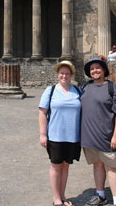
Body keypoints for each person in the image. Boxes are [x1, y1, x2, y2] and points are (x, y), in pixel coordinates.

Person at [81, 58, 116, 206]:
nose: (95, 71)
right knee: (97, 165)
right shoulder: (85, 87)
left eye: (98, 68)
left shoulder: (113, 88)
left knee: (112, 167)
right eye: (92, 68)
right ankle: (101, 195)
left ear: (104, 70)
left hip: (108, 136)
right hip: (91, 137)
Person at [39, 60, 81, 206]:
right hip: (55, 136)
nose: (64, 76)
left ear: (71, 75)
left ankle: (63, 196)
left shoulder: (77, 91)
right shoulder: (50, 91)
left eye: (67, 73)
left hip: (73, 136)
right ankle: (56, 199)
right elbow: (42, 113)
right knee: (56, 166)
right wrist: (43, 134)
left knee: (66, 166)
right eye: (62, 73)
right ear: (58, 74)